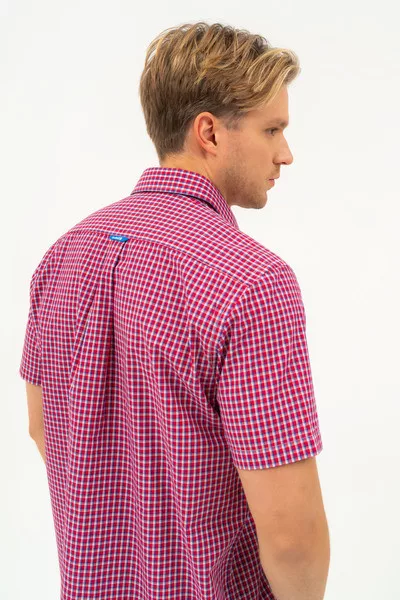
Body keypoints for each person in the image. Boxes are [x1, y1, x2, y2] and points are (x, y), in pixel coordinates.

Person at [20, 21, 330, 600]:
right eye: (272, 129)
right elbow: (292, 539)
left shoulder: (63, 256)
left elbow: (43, 428)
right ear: (208, 132)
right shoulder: (254, 282)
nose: (285, 154)